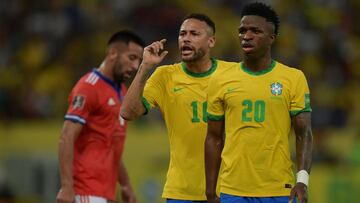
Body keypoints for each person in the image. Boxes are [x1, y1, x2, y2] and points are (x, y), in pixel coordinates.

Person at [121, 14, 237, 202]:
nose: (186, 38)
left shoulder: (233, 74)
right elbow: (127, 112)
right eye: (182, 34)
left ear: (211, 41)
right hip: (181, 191)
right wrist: (145, 67)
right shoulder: (165, 76)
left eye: (194, 34)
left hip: (228, 189)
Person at [205, 2, 313, 203]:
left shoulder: (293, 78)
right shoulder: (220, 79)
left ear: (271, 38)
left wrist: (302, 181)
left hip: (279, 188)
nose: (246, 36)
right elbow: (213, 137)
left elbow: (303, 133)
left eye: (255, 31)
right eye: (242, 31)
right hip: (233, 189)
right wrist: (210, 191)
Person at [56, 30, 145, 203]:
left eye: (139, 61)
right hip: (85, 191)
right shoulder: (89, 87)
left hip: (106, 193)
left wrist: (126, 185)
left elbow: (111, 146)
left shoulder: (122, 92)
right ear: (113, 53)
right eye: (132, 58)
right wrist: (67, 186)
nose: (135, 66)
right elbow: (66, 137)